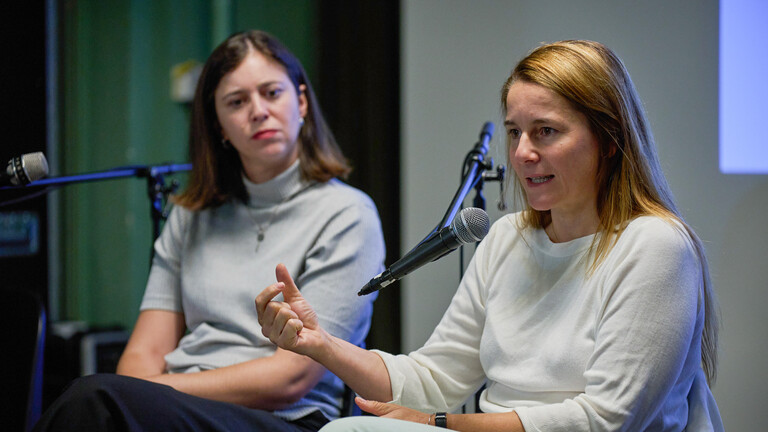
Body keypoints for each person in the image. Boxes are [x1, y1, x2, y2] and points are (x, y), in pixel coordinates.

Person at [256, 40, 723, 431]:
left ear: (609, 139)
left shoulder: (656, 245)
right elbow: (433, 378)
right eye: (515, 132)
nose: (522, 153)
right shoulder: (507, 238)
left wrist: (441, 423)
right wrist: (320, 343)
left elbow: (606, 420)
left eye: (545, 131)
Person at [34, 30, 385, 432]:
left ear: (301, 102)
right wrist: (147, 394)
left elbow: (289, 378)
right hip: (178, 407)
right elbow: (142, 355)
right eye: (237, 102)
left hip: (287, 420)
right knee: (97, 400)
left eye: (272, 93)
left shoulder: (347, 214)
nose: (258, 111)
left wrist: (154, 392)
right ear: (218, 125)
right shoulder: (191, 216)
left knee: (93, 400)